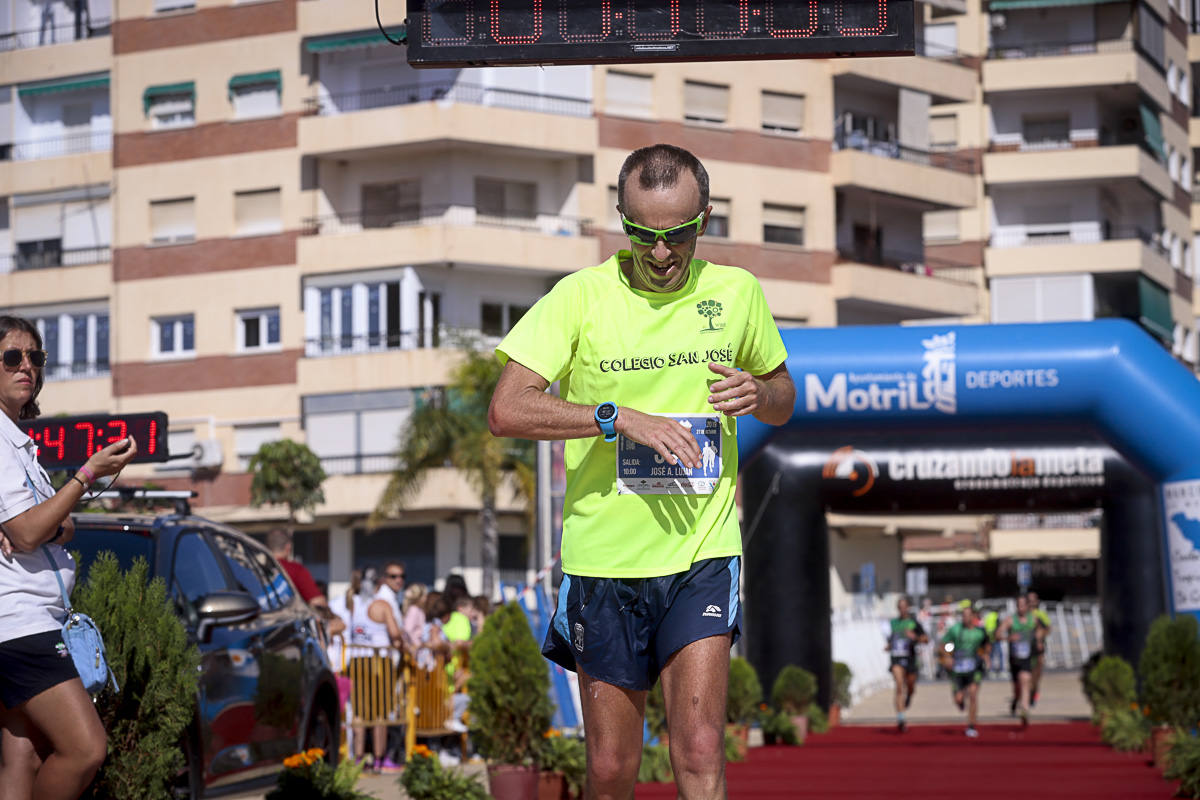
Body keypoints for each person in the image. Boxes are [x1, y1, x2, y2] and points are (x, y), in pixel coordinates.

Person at [489, 143, 795, 799]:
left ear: (703, 221)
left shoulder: (737, 293)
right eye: (642, 234)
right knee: (609, 770)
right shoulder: (579, 297)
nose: (660, 253)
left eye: (676, 235)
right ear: (621, 221)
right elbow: (507, 409)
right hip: (605, 561)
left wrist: (758, 395)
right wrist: (615, 417)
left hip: (702, 552)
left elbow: (783, 397)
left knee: (701, 749)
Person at [0, 314, 138, 800]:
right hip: (20, 622)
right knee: (85, 749)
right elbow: (29, 531)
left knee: (23, 754)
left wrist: (45, 522)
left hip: (29, 619)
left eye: (35, 358)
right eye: (12, 357)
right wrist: (86, 475)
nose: (27, 367)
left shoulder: (17, 442)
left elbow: (58, 525)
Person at [939, 603, 991, 738]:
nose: (965, 618)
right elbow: (945, 645)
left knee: (973, 695)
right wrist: (947, 655)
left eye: (968, 615)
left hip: (974, 669)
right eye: (963, 615)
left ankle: (972, 725)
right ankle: (960, 702)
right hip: (957, 670)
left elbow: (987, 645)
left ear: (974, 616)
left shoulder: (980, 632)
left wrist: (985, 655)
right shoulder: (955, 630)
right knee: (958, 698)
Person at [884, 596, 927, 732]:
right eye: (900, 607)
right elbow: (891, 639)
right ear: (898, 608)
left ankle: (909, 695)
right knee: (898, 685)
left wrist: (914, 637)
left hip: (910, 659)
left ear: (907, 608)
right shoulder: (893, 623)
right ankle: (901, 717)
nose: (902, 609)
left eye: (904, 607)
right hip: (896, 658)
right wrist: (889, 646)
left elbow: (925, 639)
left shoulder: (913, 623)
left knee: (910, 685)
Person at [1000, 594, 1042, 727]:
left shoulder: (1033, 619)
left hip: (1027, 657)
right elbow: (997, 634)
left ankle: (1024, 710)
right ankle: (1015, 700)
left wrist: (1039, 640)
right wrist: (1008, 638)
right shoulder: (1010, 620)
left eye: (1023, 605)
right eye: (1019, 605)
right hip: (1014, 658)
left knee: (1025, 681)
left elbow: (1041, 630)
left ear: (1027, 606)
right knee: (1017, 688)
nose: (1021, 608)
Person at [1028, 590, 1051, 707]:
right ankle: (1028, 693)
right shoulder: (1024, 614)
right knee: (1028, 673)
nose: (1031, 603)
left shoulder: (1041, 614)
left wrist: (1040, 636)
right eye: (1029, 600)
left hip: (1039, 648)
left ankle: (1034, 691)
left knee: (1037, 673)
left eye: (1033, 600)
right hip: (1027, 649)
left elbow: (1048, 629)